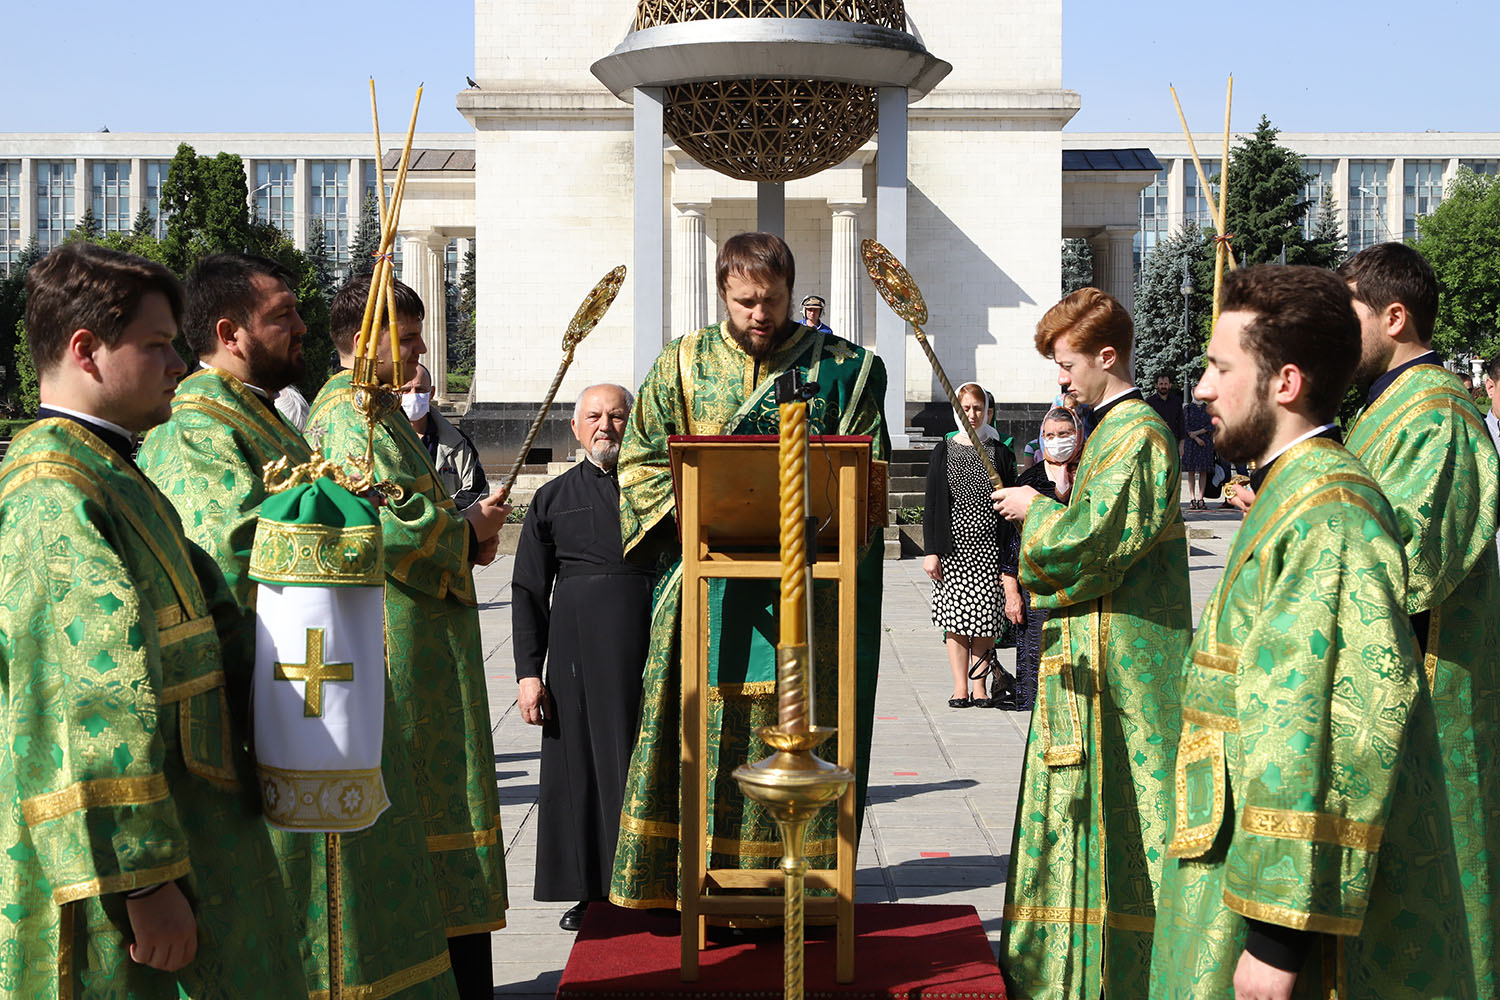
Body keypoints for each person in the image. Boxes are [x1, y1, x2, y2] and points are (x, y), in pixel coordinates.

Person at [136, 253, 459, 998]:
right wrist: (359, 528)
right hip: (279, 713)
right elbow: (230, 553)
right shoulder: (196, 428)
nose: (304, 328)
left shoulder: (259, 416)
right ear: (230, 333)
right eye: (281, 316)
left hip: (321, 697)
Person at [1150, 264, 1475, 999]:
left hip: (1274, 905)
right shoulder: (1294, 489)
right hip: (1232, 859)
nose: (1201, 389)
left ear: (1286, 383)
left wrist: (1277, 940)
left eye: (1220, 368)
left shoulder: (1329, 513)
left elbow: (1325, 725)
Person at [0, 242, 308, 997]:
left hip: (197, 820)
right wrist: (143, 879)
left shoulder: (109, 470)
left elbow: (213, 614)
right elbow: (87, 699)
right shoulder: (52, 493)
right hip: (129, 875)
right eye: (157, 345)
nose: (178, 364)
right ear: (86, 351)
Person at [610, 232, 888, 913]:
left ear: (792, 291)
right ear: (721, 293)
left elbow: (867, 479)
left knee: (800, 731)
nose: (760, 315)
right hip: (706, 590)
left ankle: (800, 895)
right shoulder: (681, 365)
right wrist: (704, 512)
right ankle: (688, 884)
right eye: (744, 303)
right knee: (699, 736)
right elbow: (640, 463)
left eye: (772, 300)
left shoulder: (844, 370)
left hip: (808, 596)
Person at [310, 274, 511, 999]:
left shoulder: (381, 409)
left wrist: (470, 532)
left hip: (426, 637)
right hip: (396, 645)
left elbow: (412, 506)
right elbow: (381, 528)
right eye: (408, 338)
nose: (420, 352)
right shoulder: (348, 416)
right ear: (365, 340)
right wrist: (465, 530)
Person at [990, 287, 1191, 999]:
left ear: (1107, 357)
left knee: (1130, 813)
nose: (1061, 379)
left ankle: (1127, 975)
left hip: (1127, 663)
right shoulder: (1107, 431)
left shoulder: (1138, 434)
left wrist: (1037, 509)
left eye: (1067, 364)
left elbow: (1096, 543)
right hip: (1090, 652)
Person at [1336, 241, 1500, 995]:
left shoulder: (1438, 413)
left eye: (1350, 316)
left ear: (1394, 317)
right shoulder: (1386, 405)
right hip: (1388, 691)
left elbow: (1413, 559)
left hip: (1430, 695)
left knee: (1434, 900)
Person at [511, 383, 651, 932]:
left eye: (616, 416)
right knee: (581, 770)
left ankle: (651, 882)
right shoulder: (552, 498)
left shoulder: (657, 491)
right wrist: (529, 673)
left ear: (633, 424)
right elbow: (527, 588)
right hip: (574, 656)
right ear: (575, 427)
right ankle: (589, 891)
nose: (605, 427)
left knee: (642, 762)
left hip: (647, 647)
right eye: (594, 417)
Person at [922, 381, 1016, 708]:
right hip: (953, 550)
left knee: (986, 620)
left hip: (989, 549)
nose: (972, 414)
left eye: (978, 408)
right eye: (966, 408)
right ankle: (960, 687)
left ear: (987, 411)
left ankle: (981, 687)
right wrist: (931, 552)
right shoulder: (944, 450)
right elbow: (932, 504)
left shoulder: (1000, 452)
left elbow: (1010, 503)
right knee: (956, 620)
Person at [999, 406, 1086, 713]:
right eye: (1050, 435)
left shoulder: (1090, 478)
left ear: (1077, 435)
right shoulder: (1030, 482)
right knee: (1036, 664)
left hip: (1079, 590)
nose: (1057, 440)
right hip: (1035, 592)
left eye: (1064, 434)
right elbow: (1011, 543)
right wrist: (1011, 594)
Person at [401, 362, 490, 510]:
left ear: (431, 393)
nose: (413, 396)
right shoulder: (380, 440)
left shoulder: (458, 443)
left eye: (420, 389)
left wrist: (442, 514)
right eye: (405, 390)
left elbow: (476, 490)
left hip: (448, 522)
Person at [1180, 382, 1215, 509]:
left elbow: (1211, 425)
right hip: (1191, 443)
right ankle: (1192, 498)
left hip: (1205, 442)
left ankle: (1201, 498)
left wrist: (1198, 434)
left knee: (1203, 471)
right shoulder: (1188, 408)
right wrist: (1195, 437)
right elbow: (1185, 425)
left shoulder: (1208, 408)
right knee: (1191, 471)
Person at [1146, 372, 1186, 445]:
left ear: (1170, 385)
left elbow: (1181, 421)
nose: (1163, 386)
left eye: (1166, 384)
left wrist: (1182, 442)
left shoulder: (1176, 401)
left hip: (1173, 440)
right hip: (1156, 440)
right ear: (1156, 385)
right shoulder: (1150, 402)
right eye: (1161, 384)